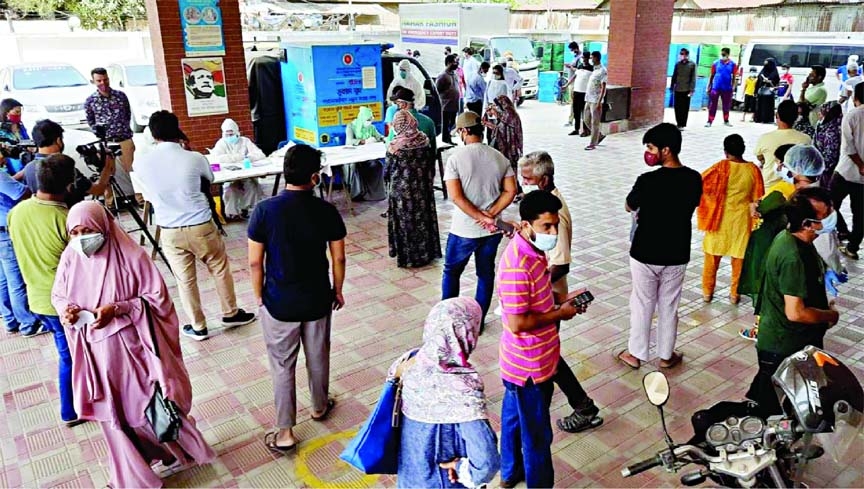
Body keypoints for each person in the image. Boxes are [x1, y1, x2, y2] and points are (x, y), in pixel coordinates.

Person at [51, 202, 215, 488]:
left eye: (88, 230)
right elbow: (59, 295)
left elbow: (158, 300)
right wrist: (67, 311)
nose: (81, 238)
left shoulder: (131, 256)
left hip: (133, 351)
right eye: (75, 232)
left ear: (103, 226)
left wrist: (120, 308)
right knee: (115, 415)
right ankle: (131, 474)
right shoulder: (70, 258)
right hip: (95, 355)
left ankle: (180, 449)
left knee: (145, 410)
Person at [248, 144, 346, 452]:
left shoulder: (264, 211)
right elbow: (339, 257)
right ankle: (319, 406)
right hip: (317, 298)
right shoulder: (326, 210)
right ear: (315, 177)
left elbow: (254, 262)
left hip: (279, 302)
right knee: (318, 356)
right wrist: (338, 289)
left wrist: (259, 295)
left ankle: (286, 432)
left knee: (282, 365)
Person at [133, 111, 255, 341]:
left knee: (184, 279)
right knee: (219, 268)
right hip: (201, 225)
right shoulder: (194, 158)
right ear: (177, 129)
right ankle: (231, 313)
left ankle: (198, 326)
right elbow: (209, 179)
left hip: (169, 229)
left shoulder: (141, 162)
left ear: (152, 133)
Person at [497, 190, 587, 489]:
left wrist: (563, 298)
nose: (553, 232)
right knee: (537, 437)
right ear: (525, 225)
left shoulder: (534, 252)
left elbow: (538, 297)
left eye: (555, 226)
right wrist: (560, 314)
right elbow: (518, 321)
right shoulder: (517, 265)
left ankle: (510, 472)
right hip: (529, 368)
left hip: (531, 361)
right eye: (546, 226)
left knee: (512, 421)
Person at [518, 152, 602, 434]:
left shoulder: (555, 219)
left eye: (527, 179)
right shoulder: (543, 208)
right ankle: (581, 405)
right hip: (545, 296)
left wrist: (536, 286)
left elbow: (562, 261)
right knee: (549, 356)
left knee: (548, 357)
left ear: (543, 179)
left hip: (550, 297)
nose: (523, 183)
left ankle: (583, 407)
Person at [744, 187, 839, 416]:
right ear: (807, 224)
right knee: (772, 413)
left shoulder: (795, 238)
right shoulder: (791, 256)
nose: (832, 216)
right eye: (825, 215)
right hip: (783, 347)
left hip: (795, 342)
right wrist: (829, 315)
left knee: (786, 404)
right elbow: (795, 312)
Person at [618, 123, 702, 370]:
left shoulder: (646, 180)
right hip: (677, 252)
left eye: (651, 147)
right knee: (669, 305)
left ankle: (635, 354)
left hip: (644, 252)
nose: (649, 153)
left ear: (666, 150)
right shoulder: (693, 178)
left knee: (642, 303)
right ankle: (666, 356)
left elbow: (629, 205)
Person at [395, 297, 501, 488]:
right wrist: (462, 468)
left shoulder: (407, 363)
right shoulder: (462, 389)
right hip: (443, 481)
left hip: (410, 478)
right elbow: (486, 463)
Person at [7, 154, 80, 425]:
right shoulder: (67, 218)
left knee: (67, 351)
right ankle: (69, 410)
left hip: (37, 298)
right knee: (70, 355)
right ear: (69, 184)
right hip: (66, 303)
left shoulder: (18, 212)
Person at [738, 144, 826, 341]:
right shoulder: (816, 194)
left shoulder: (788, 194)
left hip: (783, 335)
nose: (780, 168)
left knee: (776, 298)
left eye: (782, 164)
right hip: (797, 264)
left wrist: (831, 316)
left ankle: (761, 331)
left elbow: (762, 209)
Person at [442, 111, 517, 326]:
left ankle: (448, 321)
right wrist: (491, 215)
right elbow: (510, 191)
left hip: (464, 230)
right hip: (491, 231)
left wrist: (479, 216)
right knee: (485, 274)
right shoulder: (498, 156)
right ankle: (478, 321)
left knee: (452, 272)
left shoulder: (456, 158)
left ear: (464, 131)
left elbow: (456, 196)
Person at [697, 134, 765, 304]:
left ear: (726, 152)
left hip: (718, 219)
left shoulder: (720, 167)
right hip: (742, 221)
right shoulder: (753, 170)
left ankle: (707, 293)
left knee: (712, 258)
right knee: (739, 259)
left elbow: (700, 182)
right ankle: (735, 295)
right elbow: (758, 196)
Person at [386, 110, 441, 268]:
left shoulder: (395, 146)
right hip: (423, 189)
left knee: (406, 223)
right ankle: (427, 253)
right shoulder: (423, 140)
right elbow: (431, 160)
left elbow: (387, 171)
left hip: (402, 193)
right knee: (423, 220)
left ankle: (409, 258)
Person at [19, 120, 115, 208]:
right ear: (58, 140)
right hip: (69, 219)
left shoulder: (28, 168)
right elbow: (98, 190)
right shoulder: (63, 167)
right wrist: (107, 166)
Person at [0, 165, 40, 337]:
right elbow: (21, 193)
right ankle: (28, 323)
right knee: (16, 278)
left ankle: (10, 320)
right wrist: (28, 174)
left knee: (3, 279)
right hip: (6, 232)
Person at [209, 118, 266, 219]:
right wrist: (238, 157)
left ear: (237, 132)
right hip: (230, 175)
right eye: (227, 134)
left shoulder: (245, 141)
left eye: (232, 134)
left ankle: (246, 209)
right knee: (231, 189)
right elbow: (217, 158)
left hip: (246, 173)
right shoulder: (221, 143)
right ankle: (232, 214)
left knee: (253, 186)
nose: (230, 136)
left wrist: (248, 158)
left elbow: (260, 154)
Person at [833, 82, 863, 260]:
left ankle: (831, 238)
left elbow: (849, 147)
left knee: (830, 205)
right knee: (860, 214)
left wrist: (860, 164)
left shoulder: (852, 115)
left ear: (855, 97)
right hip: (861, 178)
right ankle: (852, 247)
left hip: (845, 171)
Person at [84, 67, 135, 173]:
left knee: (129, 173)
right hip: (106, 144)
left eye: (105, 79)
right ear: (93, 81)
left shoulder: (121, 96)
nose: (103, 83)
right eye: (99, 81)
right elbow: (91, 121)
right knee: (108, 175)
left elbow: (127, 114)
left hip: (124, 140)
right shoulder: (90, 101)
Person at [754, 100, 812, 188]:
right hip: (795, 188)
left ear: (777, 115)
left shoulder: (765, 138)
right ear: (796, 117)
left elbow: (760, 157)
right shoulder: (806, 139)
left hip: (770, 186)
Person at [344, 107, 386, 202]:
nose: (369, 122)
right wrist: (364, 141)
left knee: (377, 165)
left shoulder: (371, 128)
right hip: (355, 157)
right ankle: (358, 193)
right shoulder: (351, 126)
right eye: (367, 120)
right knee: (354, 167)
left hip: (368, 157)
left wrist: (384, 139)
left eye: (371, 120)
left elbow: (379, 137)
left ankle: (375, 195)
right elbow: (349, 141)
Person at [482, 95, 523, 181]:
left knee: (510, 170)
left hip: (511, 147)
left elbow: (501, 127)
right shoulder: (505, 114)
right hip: (506, 147)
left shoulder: (510, 114)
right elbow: (499, 127)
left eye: (497, 105)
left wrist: (494, 113)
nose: (496, 107)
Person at [814, 101, 844, 188]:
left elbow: (831, 153)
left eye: (822, 110)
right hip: (821, 165)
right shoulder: (822, 124)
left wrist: (823, 168)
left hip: (828, 169)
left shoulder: (832, 129)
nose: (819, 112)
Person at [705, 47, 737, 127]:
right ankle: (709, 121)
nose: (722, 56)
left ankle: (726, 120)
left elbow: (734, 76)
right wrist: (709, 85)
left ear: (728, 55)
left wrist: (733, 86)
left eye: (724, 54)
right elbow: (712, 75)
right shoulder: (715, 63)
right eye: (722, 54)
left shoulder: (733, 64)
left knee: (726, 105)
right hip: (716, 87)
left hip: (727, 88)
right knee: (713, 105)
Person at [563, 51, 592, 137]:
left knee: (584, 112)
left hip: (585, 92)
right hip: (577, 91)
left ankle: (585, 130)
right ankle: (576, 129)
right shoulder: (580, 66)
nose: (583, 59)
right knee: (576, 111)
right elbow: (574, 76)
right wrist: (566, 85)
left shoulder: (591, 68)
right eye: (582, 58)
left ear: (588, 58)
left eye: (584, 58)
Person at [583, 51, 607, 151]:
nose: (590, 59)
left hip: (596, 100)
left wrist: (599, 102)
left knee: (595, 122)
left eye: (592, 57)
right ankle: (599, 135)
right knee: (586, 119)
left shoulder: (603, 71)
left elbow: (603, 87)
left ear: (597, 58)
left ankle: (593, 143)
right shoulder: (595, 69)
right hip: (588, 98)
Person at [437, 54, 461, 144]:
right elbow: (438, 90)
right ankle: (446, 139)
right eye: (454, 62)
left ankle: (448, 138)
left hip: (454, 104)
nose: (456, 64)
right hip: (446, 105)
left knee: (451, 123)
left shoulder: (454, 74)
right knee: (446, 124)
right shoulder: (443, 76)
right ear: (448, 63)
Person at [671, 47, 696, 129]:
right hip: (677, 89)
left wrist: (692, 90)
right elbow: (674, 76)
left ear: (687, 55)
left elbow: (693, 78)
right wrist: (672, 86)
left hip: (686, 90)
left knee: (684, 107)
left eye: (683, 54)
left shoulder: (692, 65)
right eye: (681, 54)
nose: (682, 56)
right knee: (677, 107)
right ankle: (678, 123)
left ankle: (682, 124)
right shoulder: (678, 65)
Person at [754, 58, 780, 124]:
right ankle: (759, 118)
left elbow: (776, 82)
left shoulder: (774, 72)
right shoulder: (763, 71)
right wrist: (755, 91)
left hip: (769, 92)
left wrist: (769, 81)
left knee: (767, 106)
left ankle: (767, 119)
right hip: (762, 91)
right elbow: (758, 81)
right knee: (760, 105)